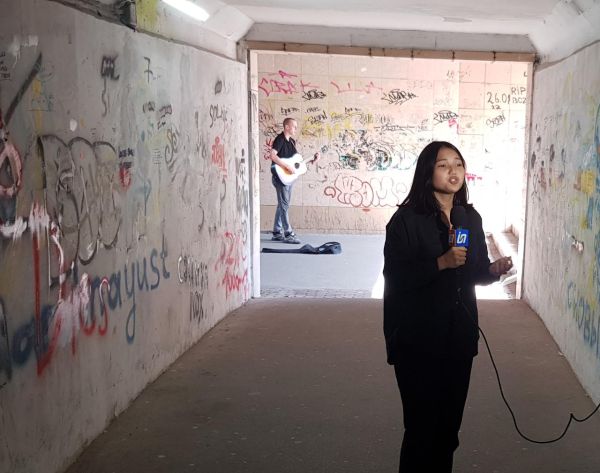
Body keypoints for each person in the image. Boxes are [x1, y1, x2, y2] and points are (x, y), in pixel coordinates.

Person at [383, 141, 513, 473]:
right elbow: (396, 277)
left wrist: (492, 270)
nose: (453, 171)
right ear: (427, 173)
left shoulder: (468, 217)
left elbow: (473, 273)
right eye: (443, 165)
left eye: (458, 164)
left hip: (458, 339)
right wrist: (440, 262)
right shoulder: (406, 221)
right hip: (417, 341)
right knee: (421, 431)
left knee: (447, 432)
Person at [270, 117, 320, 244]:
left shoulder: (292, 142)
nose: (296, 129)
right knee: (284, 205)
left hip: (288, 178)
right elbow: (273, 156)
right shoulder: (280, 139)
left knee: (283, 204)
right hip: (279, 177)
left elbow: (296, 163)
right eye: (294, 126)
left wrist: (312, 160)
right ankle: (288, 233)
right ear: (287, 127)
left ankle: (276, 232)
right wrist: (286, 166)